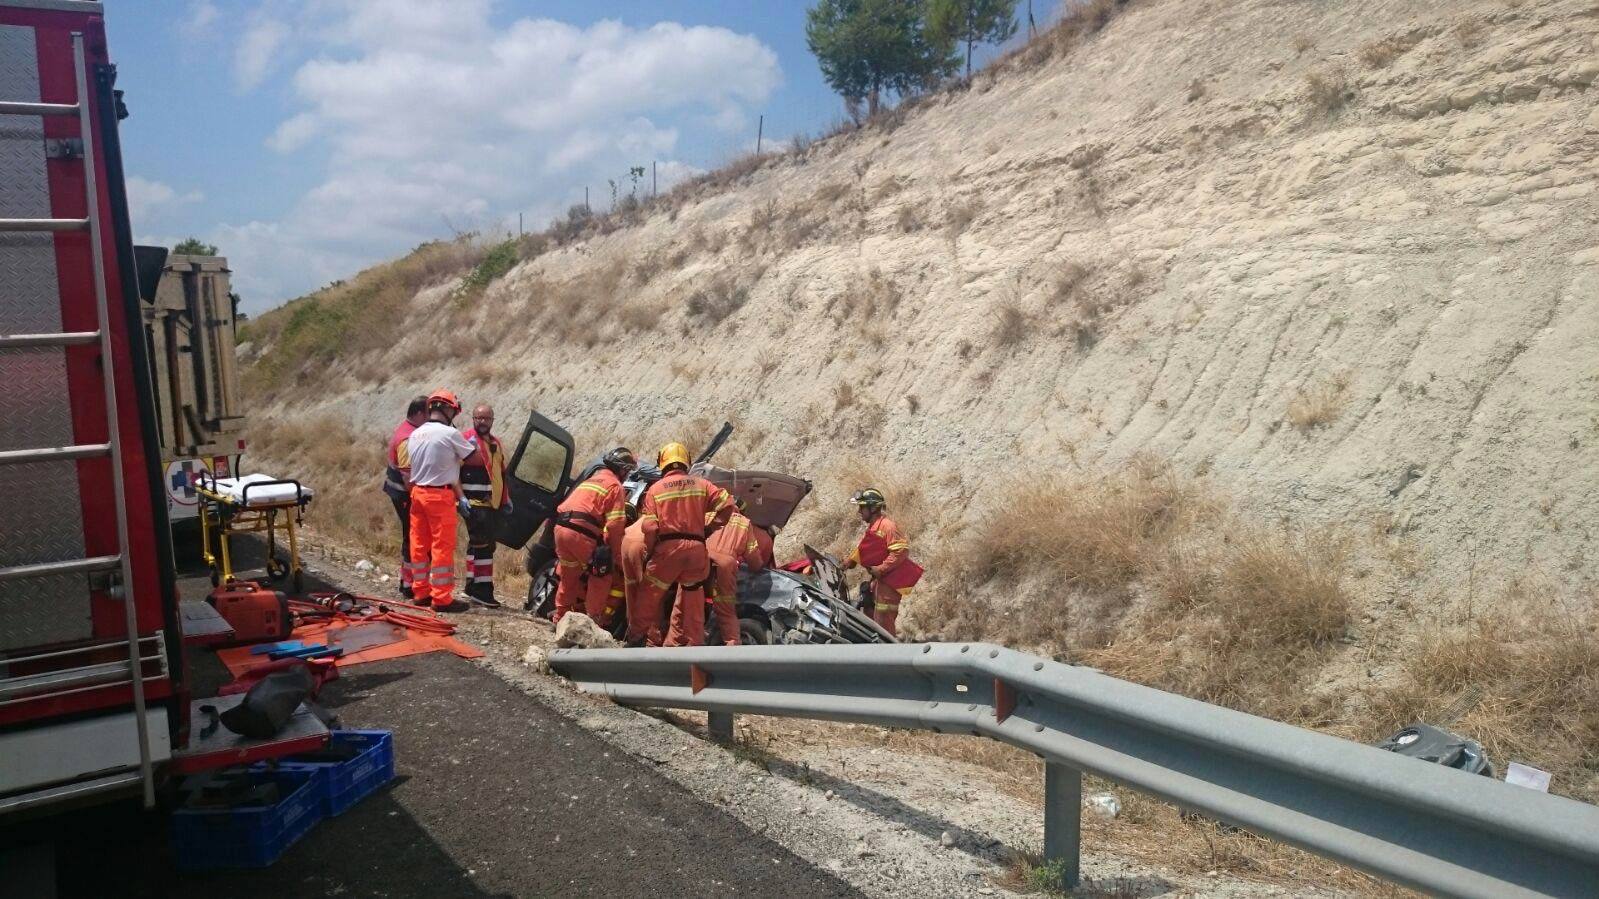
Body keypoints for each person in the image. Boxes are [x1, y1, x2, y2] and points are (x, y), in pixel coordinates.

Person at [637, 442, 734, 647]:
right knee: (693, 601)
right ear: (686, 462)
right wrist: (709, 528)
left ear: (662, 463)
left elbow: (650, 527)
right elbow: (728, 505)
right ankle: (694, 647)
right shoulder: (702, 484)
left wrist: (650, 550)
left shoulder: (655, 490)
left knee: (649, 597)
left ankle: (636, 640)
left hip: (668, 550)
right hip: (697, 551)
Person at [405, 389, 476, 613]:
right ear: (447, 409)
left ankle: (420, 592)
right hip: (439, 496)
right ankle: (442, 599)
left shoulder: (415, 434)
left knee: (419, 545)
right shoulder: (450, 434)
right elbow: (472, 458)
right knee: (441, 548)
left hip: (417, 494)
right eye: (453, 412)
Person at [552, 447, 636, 627]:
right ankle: (590, 624)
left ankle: (560, 618)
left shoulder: (593, 479)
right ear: (622, 470)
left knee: (569, 576)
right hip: (581, 532)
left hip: (561, 528)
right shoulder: (615, 486)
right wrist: (614, 554)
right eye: (627, 471)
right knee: (602, 575)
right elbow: (614, 524)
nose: (627, 475)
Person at [842, 487, 923, 637]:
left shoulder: (888, 526)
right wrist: (850, 561)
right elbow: (867, 549)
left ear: (873, 508)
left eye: (862, 507)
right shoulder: (874, 527)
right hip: (879, 582)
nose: (859, 511)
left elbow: (901, 551)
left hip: (889, 583)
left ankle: (890, 655)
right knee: (870, 616)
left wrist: (881, 568)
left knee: (883, 622)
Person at [460, 404, 511, 608]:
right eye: (479, 418)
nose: (482, 422)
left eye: (486, 418)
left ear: (492, 420)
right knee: (483, 546)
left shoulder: (495, 443)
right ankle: (483, 591)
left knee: (478, 544)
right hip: (474, 502)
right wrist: (459, 498)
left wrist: (505, 499)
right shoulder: (466, 440)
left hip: (492, 503)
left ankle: (472, 585)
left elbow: (500, 472)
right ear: (473, 419)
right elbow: (454, 469)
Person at [383, 395, 427, 599]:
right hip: (403, 494)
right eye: (427, 415)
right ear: (419, 414)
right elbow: (408, 477)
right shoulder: (407, 439)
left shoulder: (407, 430)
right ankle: (408, 583)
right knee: (412, 535)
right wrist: (420, 499)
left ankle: (409, 580)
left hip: (399, 491)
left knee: (411, 535)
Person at [705, 498, 763, 646]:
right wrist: (758, 567)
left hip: (701, 559)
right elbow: (753, 557)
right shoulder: (744, 523)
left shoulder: (710, 514)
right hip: (725, 565)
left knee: (689, 602)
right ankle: (733, 646)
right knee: (726, 611)